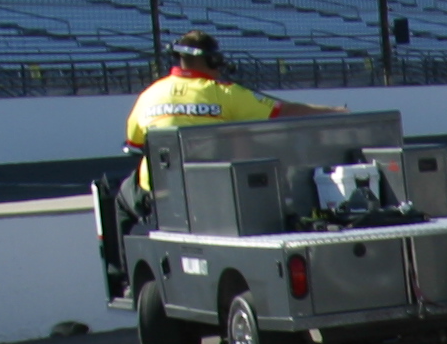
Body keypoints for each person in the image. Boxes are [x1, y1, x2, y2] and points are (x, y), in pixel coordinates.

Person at [117, 29, 334, 229]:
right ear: (211, 59)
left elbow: (135, 142)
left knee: (120, 198)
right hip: (210, 193)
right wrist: (332, 111)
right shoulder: (226, 93)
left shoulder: (148, 95)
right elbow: (283, 111)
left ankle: (118, 269)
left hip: (160, 196)